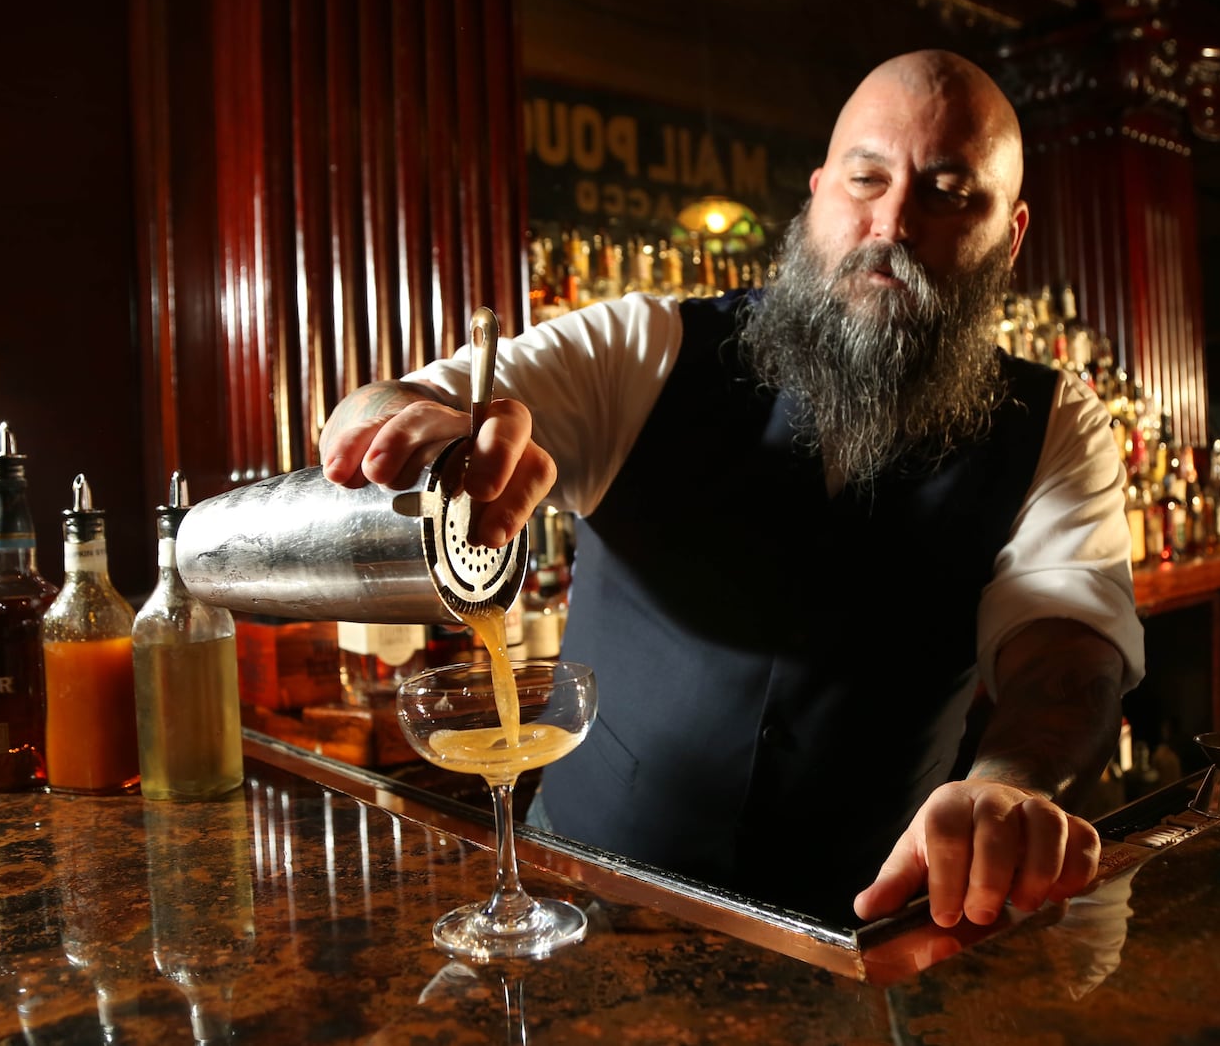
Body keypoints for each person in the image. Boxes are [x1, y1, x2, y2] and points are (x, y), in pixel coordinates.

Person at [320, 49, 1144, 927]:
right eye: (866, 178)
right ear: (819, 193)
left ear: (1009, 235)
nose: (893, 221)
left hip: (859, 934)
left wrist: (1008, 787)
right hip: (587, 904)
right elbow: (402, 399)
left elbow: (1066, 651)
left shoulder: (1054, 425)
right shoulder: (644, 351)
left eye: (948, 191)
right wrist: (417, 426)